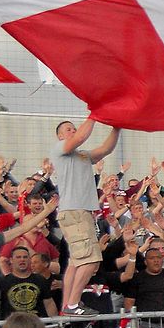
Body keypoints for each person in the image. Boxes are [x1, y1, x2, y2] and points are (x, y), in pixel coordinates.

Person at [53, 117, 122, 316]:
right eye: (68, 129)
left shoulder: (81, 155)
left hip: (79, 212)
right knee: (90, 260)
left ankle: (67, 303)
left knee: (76, 261)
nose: (73, 131)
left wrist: (116, 128)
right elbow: (82, 136)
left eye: (74, 128)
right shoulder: (60, 149)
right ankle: (73, 304)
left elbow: (105, 149)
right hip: (75, 211)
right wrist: (94, 115)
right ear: (59, 136)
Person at [0, 246, 58, 319]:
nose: (22, 259)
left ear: (29, 260)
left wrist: (55, 327)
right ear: (11, 260)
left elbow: (49, 304)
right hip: (13, 326)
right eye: (18, 257)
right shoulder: (3, 282)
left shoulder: (40, 280)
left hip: (37, 324)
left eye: (25, 257)